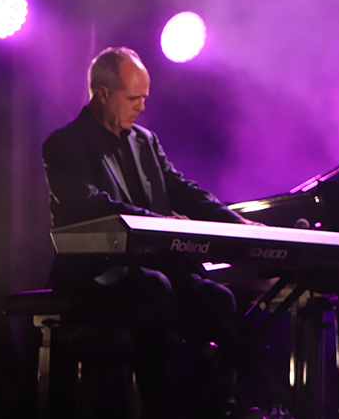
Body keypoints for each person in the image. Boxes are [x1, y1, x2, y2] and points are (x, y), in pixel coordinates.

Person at [42, 47, 262, 419]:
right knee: (154, 286)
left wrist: (233, 222)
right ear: (102, 93)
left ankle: (221, 406)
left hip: (151, 268)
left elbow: (181, 189)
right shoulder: (64, 144)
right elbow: (89, 203)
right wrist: (157, 222)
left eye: (145, 97)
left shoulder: (145, 141)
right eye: (133, 98)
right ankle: (159, 403)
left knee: (219, 298)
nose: (142, 106)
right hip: (94, 273)